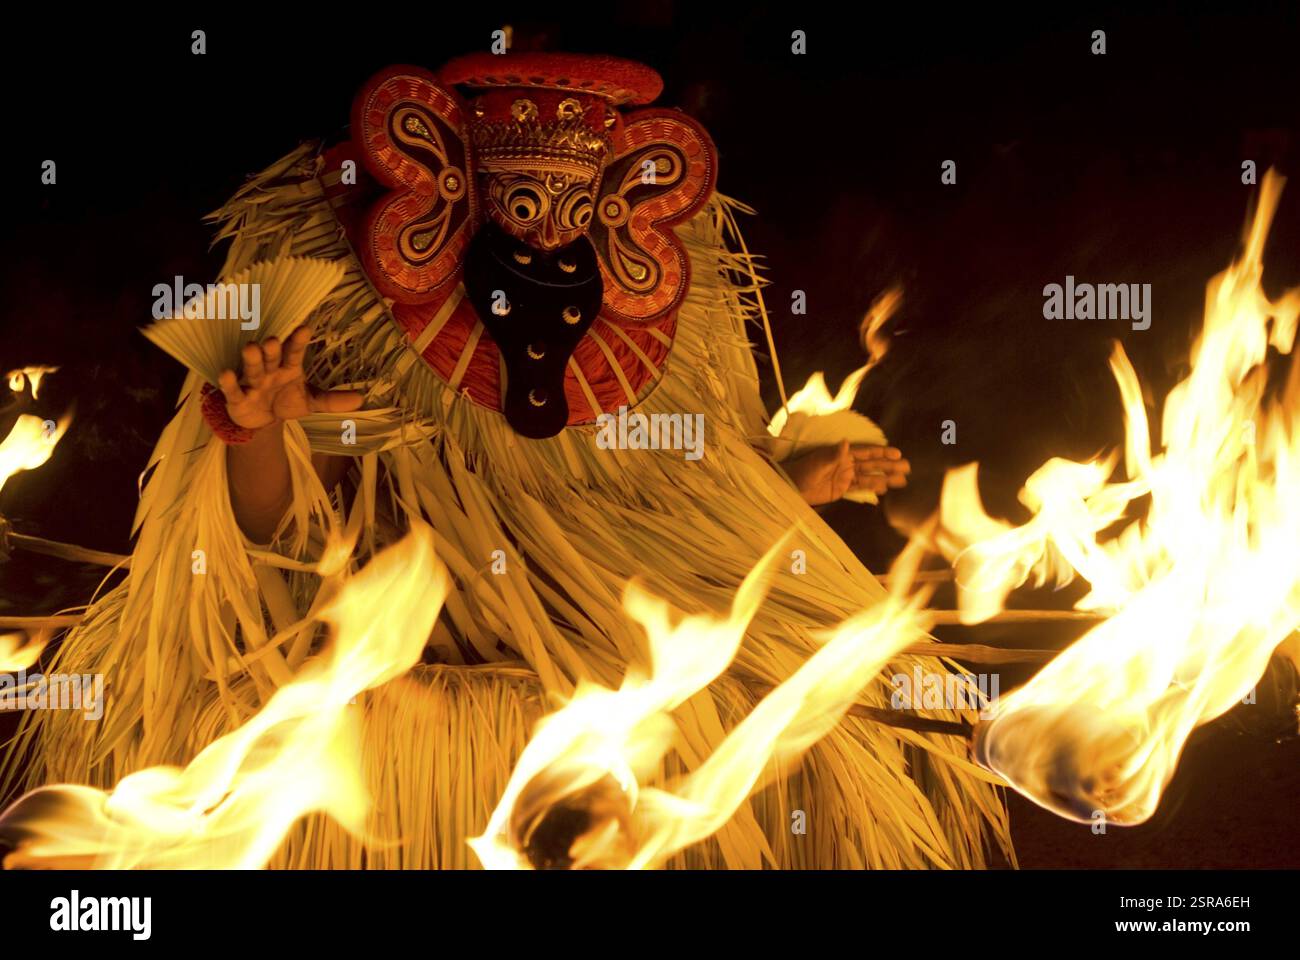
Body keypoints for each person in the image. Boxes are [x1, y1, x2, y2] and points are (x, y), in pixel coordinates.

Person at [11, 52, 1009, 869]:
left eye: (569, 213)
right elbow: (259, 562)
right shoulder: (325, 317)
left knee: (848, 698)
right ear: (447, 197)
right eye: (517, 208)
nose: (544, 235)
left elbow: (700, 520)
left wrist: (793, 493)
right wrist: (265, 428)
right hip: (403, 693)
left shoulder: (660, 359)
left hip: (622, 690)